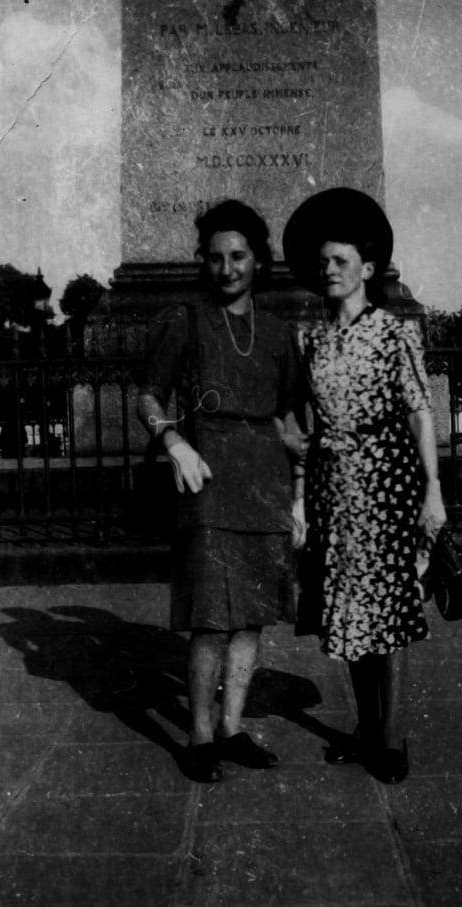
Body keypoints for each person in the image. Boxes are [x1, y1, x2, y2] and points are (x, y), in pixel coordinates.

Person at [137, 200, 307, 783]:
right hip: (207, 476)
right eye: (215, 258)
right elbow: (149, 397)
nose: (227, 267)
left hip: (265, 481)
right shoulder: (184, 321)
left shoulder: (282, 335)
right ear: (202, 262)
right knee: (212, 617)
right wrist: (174, 443)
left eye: (238, 256)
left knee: (251, 617)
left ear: (259, 260)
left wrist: (301, 487)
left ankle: (232, 727)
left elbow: (287, 416)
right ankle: (201, 735)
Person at [283, 187, 447, 784]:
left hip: (387, 483)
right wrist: (302, 497)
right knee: (350, 610)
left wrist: (433, 488)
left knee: (392, 608)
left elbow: (417, 410)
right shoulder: (315, 340)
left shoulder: (392, 332)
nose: (329, 270)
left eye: (340, 262)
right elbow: (308, 423)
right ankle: (362, 728)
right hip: (335, 488)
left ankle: (392, 732)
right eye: (323, 262)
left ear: (367, 270)